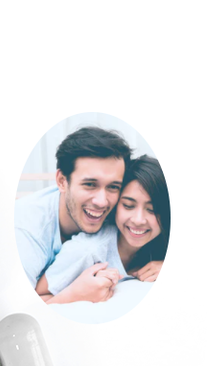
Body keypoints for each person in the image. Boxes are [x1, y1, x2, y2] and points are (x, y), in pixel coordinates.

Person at [34, 155, 170, 303]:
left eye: (152, 210)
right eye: (128, 206)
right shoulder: (86, 251)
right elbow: (37, 299)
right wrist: (76, 295)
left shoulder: (161, 242)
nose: (138, 220)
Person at [15, 126, 132, 288]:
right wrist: (76, 293)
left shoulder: (121, 213)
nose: (102, 202)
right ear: (62, 181)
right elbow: (19, 300)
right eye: (90, 184)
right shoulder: (27, 229)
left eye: (113, 187)